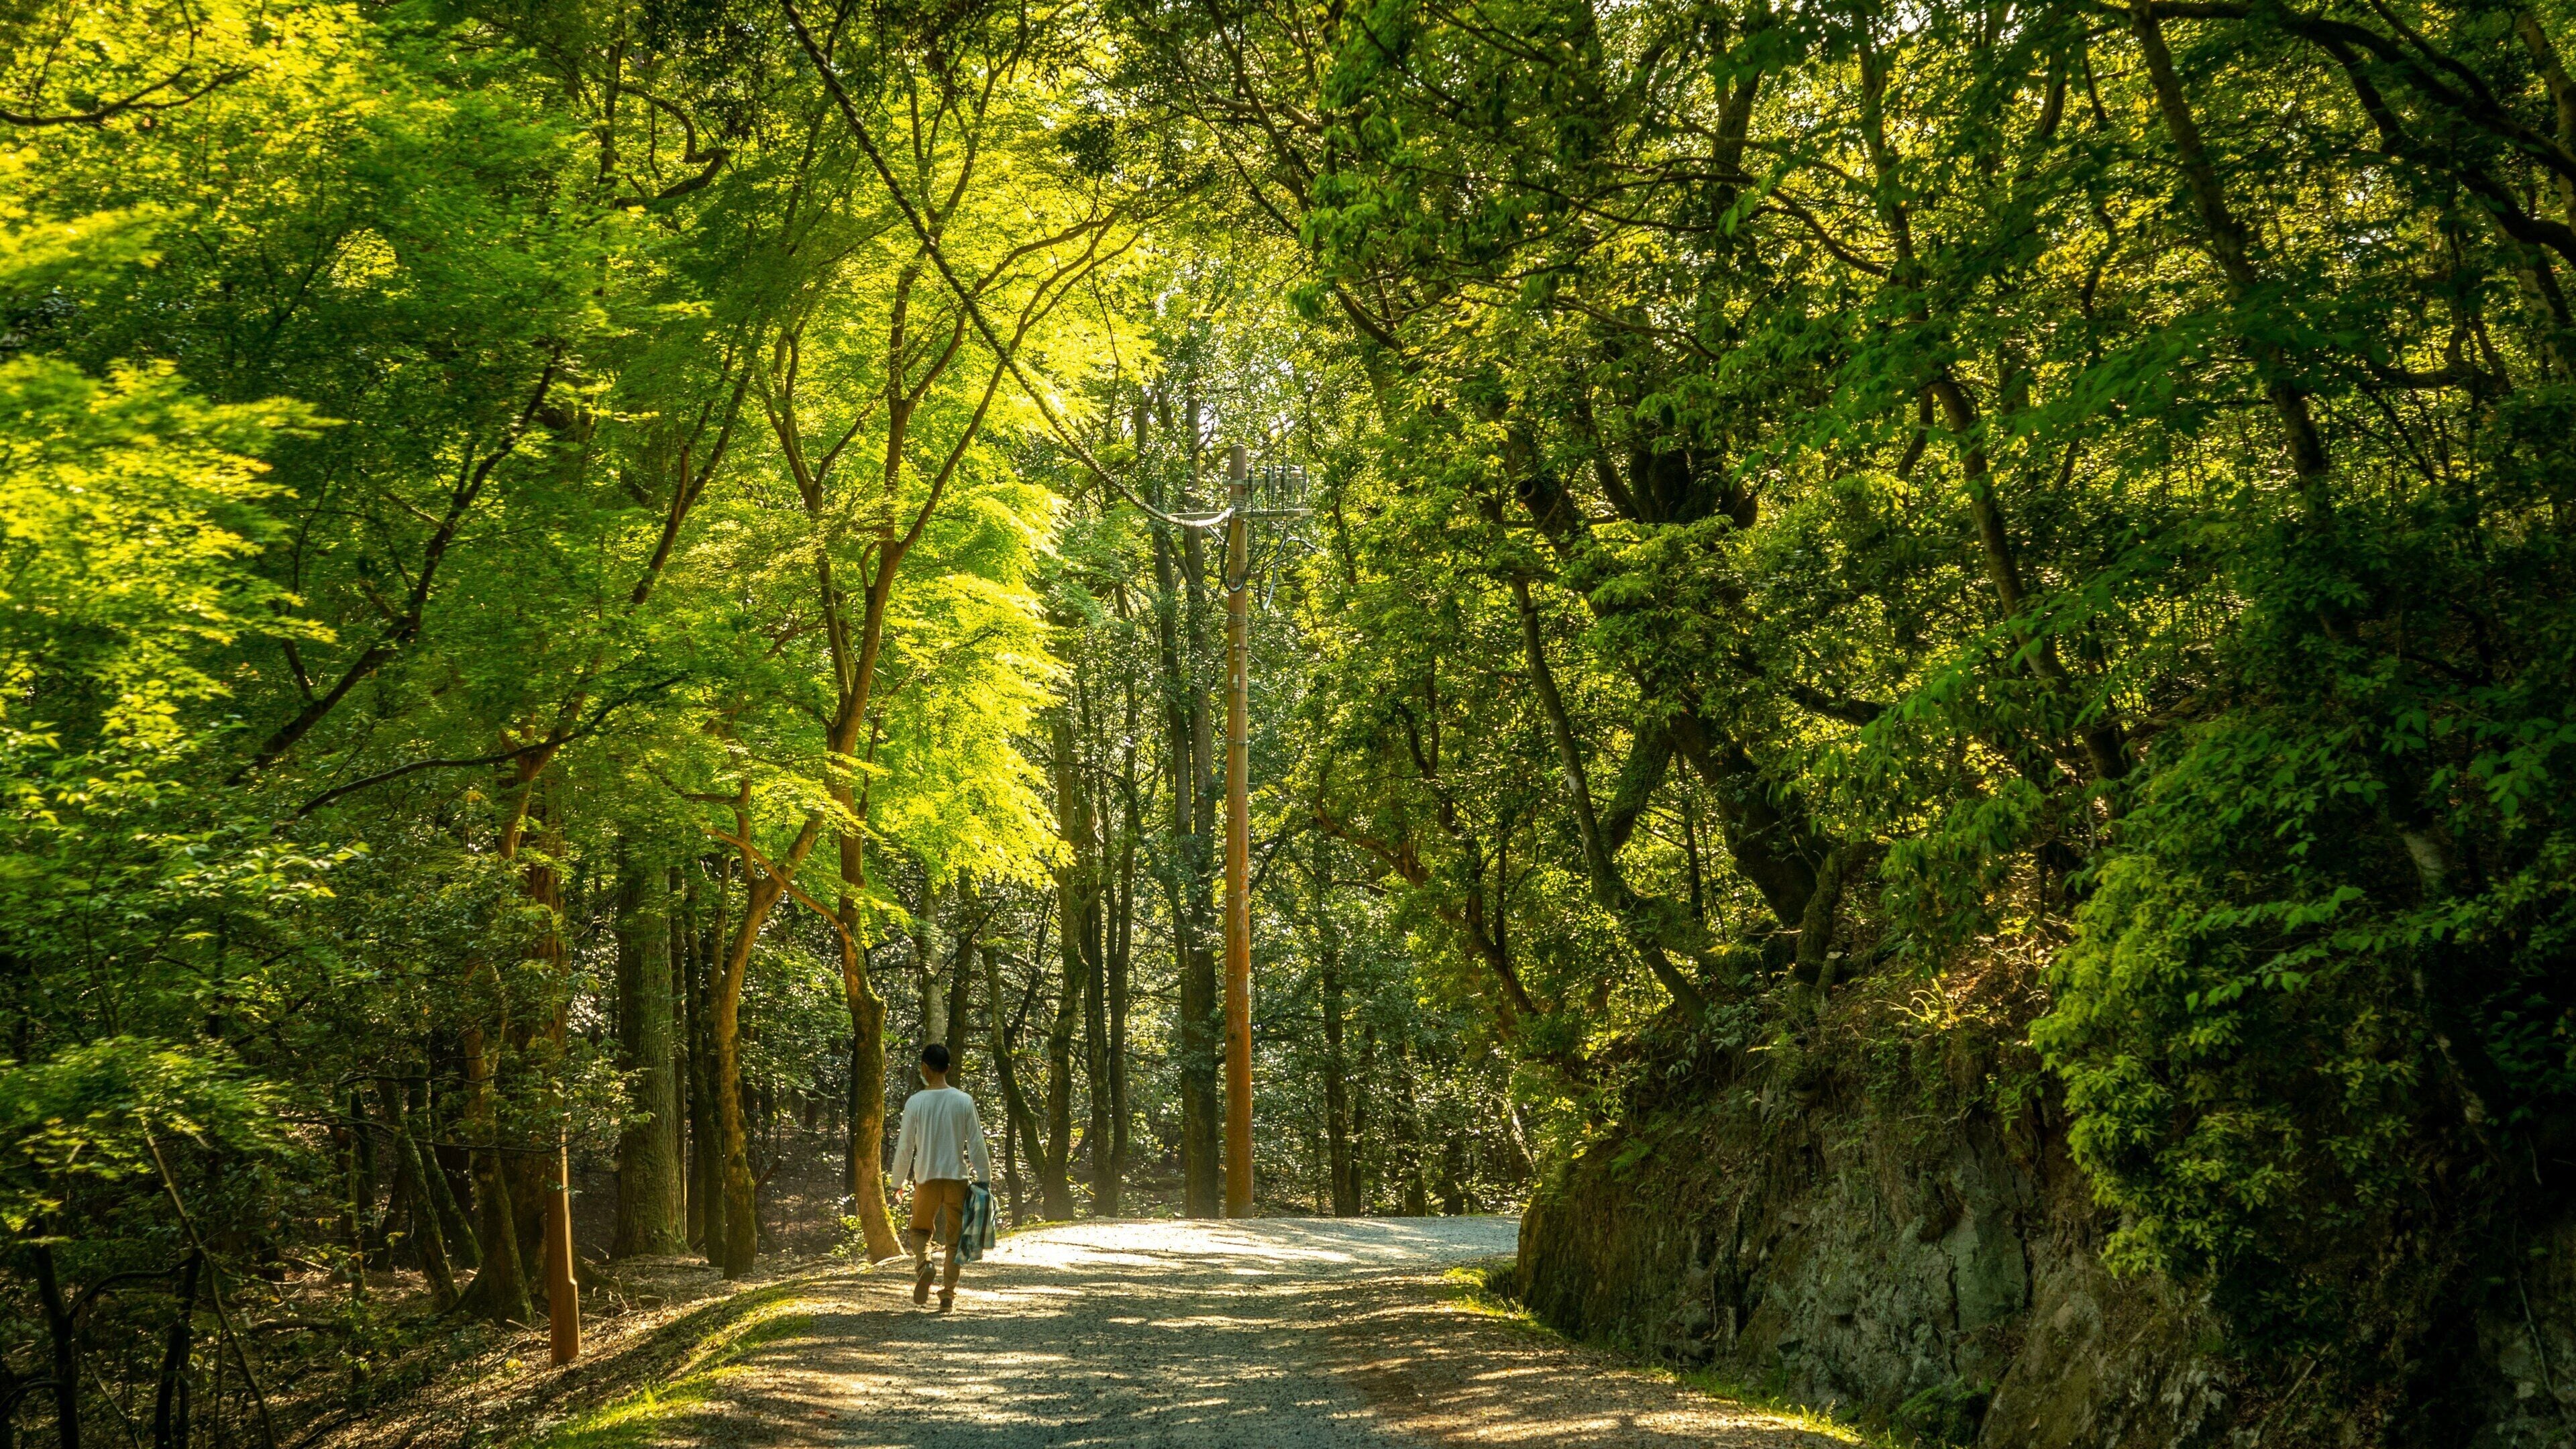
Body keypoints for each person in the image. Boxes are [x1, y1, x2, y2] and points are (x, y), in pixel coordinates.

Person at [888, 1042, 991, 1311]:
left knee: (920, 1230)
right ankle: (947, 1295)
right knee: (955, 1239)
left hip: (927, 1179)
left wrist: (896, 1182)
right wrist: (984, 1178)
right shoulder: (963, 1101)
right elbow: (976, 1143)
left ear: (925, 1068)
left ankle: (925, 1266)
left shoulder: (916, 1103)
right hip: (957, 1179)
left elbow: (905, 1146)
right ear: (948, 1068)